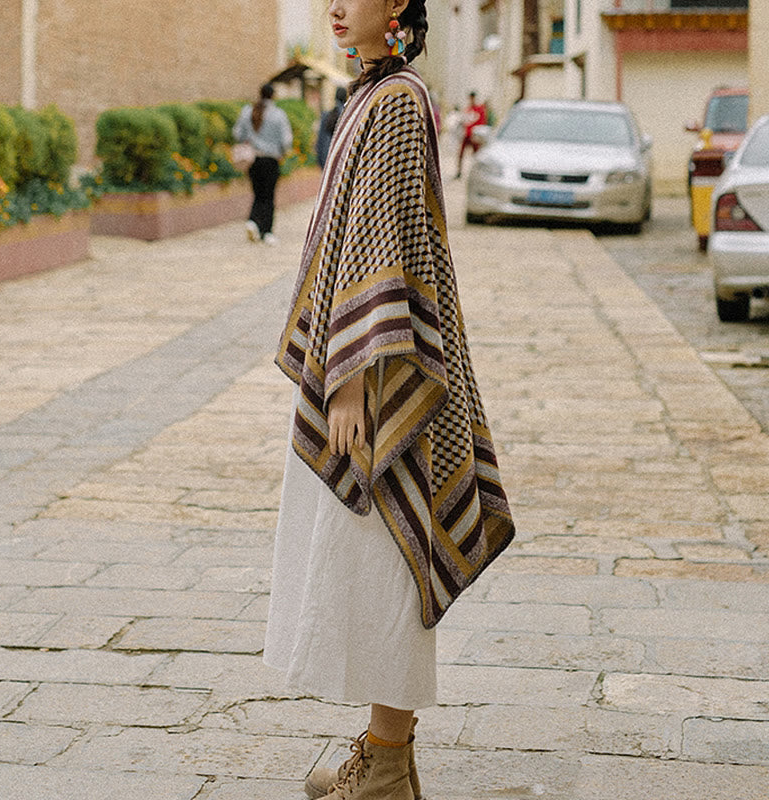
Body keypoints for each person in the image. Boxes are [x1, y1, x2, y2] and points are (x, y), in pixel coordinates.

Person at [265, 2, 515, 799]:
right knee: (373, 566)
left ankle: (389, 765)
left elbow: (386, 239)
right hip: (373, 363)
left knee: (389, 565)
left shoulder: (399, 101)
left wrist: (347, 375)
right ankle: (384, 752)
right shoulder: (372, 94)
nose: (334, 7)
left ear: (399, 4)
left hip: (380, 375)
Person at [234, 83, 292, 245]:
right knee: (268, 196)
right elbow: (286, 140)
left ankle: (253, 221)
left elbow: (237, 133)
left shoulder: (247, 111)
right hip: (271, 159)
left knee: (258, 193)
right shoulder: (278, 114)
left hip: (253, 159)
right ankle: (267, 231)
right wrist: (282, 150)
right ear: (273, 95)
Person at [455, 90, 487, 178]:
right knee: (461, 154)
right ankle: (459, 171)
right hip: (467, 134)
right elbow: (465, 122)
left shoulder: (479, 109)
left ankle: (478, 173)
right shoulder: (468, 109)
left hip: (475, 135)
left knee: (476, 155)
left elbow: (482, 122)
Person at [316, 86, 349, 168]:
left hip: (327, 154)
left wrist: (319, 158)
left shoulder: (327, 115)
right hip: (343, 156)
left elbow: (320, 138)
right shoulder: (349, 115)